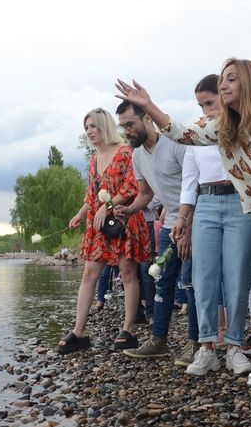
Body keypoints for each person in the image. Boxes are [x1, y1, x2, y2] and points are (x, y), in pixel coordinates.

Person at [115, 57, 251, 390]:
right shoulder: (225, 124)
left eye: (230, 79)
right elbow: (183, 133)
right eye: (222, 80)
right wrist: (148, 105)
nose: (223, 85)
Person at [172, 74, 251, 376]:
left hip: (240, 203)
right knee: (204, 278)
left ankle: (234, 345)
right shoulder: (195, 136)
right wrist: (182, 220)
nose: (206, 110)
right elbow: (189, 182)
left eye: (210, 103)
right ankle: (206, 347)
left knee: (237, 277)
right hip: (206, 204)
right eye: (201, 105)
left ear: (224, 98)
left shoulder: (245, 129)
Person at [58, 108, 151, 354]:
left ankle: (128, 329)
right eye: (86, 127)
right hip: (99, 225)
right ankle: (79, 331)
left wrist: (108, 206)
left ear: (104, 127)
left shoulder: (125, 153)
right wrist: (80, 214)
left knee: (128, 273)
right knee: (89, 272)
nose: (89, 131)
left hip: (122, 220)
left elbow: (134, 187)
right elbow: (92, 195)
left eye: (93, 126)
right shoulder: (94, 158)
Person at [113, 101, 195, 363]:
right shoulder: (137, 155)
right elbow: (145, 194)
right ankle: (158, 340)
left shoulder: (176, 144)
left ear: (147, 118)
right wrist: (130, 210)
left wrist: (189, 226)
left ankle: (196, 344)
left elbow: (197, 186)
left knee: (191, 284)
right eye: (123, 127)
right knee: (162, 281)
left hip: (194, 220)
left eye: (130, 125)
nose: (126, 131)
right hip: (170, 224)